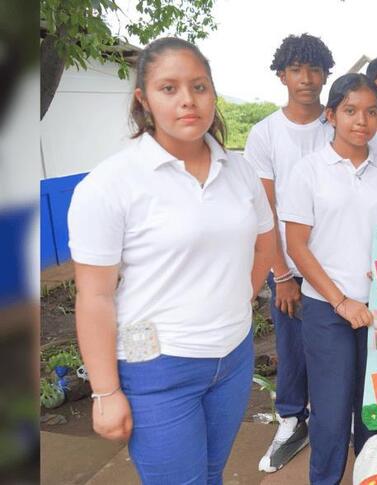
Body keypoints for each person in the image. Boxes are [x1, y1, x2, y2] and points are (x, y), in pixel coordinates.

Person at [67, 37, 276, 484]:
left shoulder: (238, 170)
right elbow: (96, 295)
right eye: (169, 88)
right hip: (158, 368)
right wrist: (105, 392)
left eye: (199, 87)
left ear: (213, 93)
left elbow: (265, 242)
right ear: (144, 99)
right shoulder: (110, 185)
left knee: (210, 474)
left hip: (233, 358)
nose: (188, 100)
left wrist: (241, 298)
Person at [281, 73, 377, 485]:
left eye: (371, 112)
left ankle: (370, 478)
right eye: (351, 110)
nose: (362, 120)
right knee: (331, 412)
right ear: (331, 115)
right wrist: (341, 300)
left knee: (376, 411)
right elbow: (297, 247)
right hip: (328, 310)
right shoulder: (308, 171)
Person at [243, 33, 335, 473]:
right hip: (289, 267)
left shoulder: (338, 124)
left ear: (325, 75)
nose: (306, 78)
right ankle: (291, 419)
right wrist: (280, 273)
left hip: (337, 264)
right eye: (297, 69)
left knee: (335, 346)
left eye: (314, 69)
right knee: (292, 346)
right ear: (282, 75)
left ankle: (332, 420)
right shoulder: (265, 133)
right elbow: (266, 209)